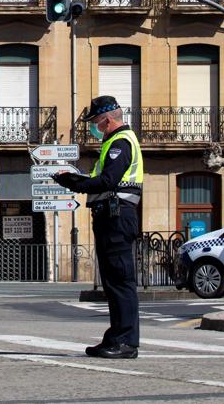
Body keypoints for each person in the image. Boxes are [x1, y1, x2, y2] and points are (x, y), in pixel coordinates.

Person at [53, 95, 143, 359]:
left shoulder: (120, 143)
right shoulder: (112, 144)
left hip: (117, 217)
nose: (94, 127)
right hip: (110, 217)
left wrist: (72, 182)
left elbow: (107, 180)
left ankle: (126, 341)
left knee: (120, 280)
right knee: (113, 282)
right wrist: (72, 179)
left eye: (95, 122)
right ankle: (116, 337)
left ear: (106, 119)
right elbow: (101, 180)